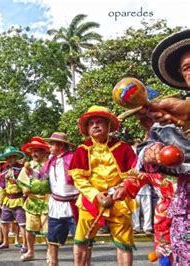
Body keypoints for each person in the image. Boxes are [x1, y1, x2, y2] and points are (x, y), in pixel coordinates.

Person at [125, 29, 190, 266]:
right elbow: (143, 157)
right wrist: (150, 152)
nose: (189, 68)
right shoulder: (167, 123)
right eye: (185, 67)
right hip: (183, 213)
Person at [69, 106, 137, 266]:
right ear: (87, 128)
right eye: (91, 123)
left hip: (119, 201)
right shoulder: (82, 149)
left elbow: (135, 175)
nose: (95, 125)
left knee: (124, 244)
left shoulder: (124, 148)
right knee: (81, 241)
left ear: (108, 126)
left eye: (99, 122)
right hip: (90, 201)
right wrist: (95, 194)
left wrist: (123, 188)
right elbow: (78, 178)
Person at [40, 133, 78, 266]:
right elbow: (42, 176)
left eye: (52, 144)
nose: (49, 147)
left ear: (61, 145)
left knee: (80, 241)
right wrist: (30, 173)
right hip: (56, 205)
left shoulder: (74, 158)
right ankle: (53, 263)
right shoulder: (51, 160)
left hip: (74, 205)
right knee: (52, 238)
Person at [17, 136, 50, 261]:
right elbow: (21, 180)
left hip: (48, 201)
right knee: (30, 229)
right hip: (32, 201)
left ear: (44, 151)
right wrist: (24, 188)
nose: (34, 153)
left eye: (37, 150)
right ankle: (30, 252)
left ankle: (50, 253)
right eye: (32, 151)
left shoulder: (50, 164)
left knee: (48, 230)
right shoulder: (28, 166)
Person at [0, 147, 26, 251]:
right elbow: (2, 187)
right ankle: (5, 242)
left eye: (11, 157)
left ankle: (25, 244)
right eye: (7, 157)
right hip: (7, 200)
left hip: (19, 199)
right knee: (4, 222)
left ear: (16, 157)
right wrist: (0, 199)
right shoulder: (4, 171)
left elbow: (27, 185)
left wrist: (17, 182)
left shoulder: (22, 169)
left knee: (22, 223)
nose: (9, 159)